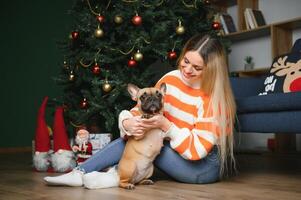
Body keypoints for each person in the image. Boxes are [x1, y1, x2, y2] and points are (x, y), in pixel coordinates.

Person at [44, 34, 236, 187]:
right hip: (175, 151)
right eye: (185, 61)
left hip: (202, 168)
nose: (186, 70)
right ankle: (86, 173)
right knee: (138, 138)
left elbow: (197, 151)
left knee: (146, 142)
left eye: (197, 67)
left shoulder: (214, 98)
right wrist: (128, 122)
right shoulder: (171, 79)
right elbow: (140, 109)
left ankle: (100, 175)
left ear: (211, 70)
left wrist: (166, 126)